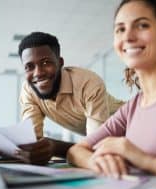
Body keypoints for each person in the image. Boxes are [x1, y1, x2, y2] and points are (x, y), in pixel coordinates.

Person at [67, 0, 156, 183]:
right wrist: (98, 161)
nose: (128, 37)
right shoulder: (133, 106)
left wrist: (145, 160)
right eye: (120, 29)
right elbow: (75, 151)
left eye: (142, 25)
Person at [17, 32, 124, 165]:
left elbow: (95, 147)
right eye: (29, 67)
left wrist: (54, 147)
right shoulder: (29, 89)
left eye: (46, 62)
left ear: (60, 62)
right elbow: (32, 140)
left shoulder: (88, 83)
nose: (38, 73)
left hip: (134, 129)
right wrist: (2, 148)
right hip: (109, 147)